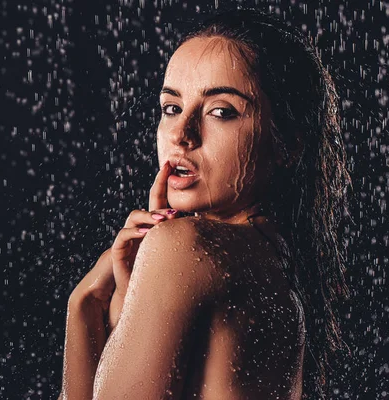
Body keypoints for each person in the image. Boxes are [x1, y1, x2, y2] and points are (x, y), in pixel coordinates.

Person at [58, 7, 352, 400]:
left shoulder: (185, 246)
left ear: (287, 142)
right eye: (172, 108)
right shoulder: (278, 259)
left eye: (221, 111)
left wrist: (85, 307)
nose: (182, 134)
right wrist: (131, 303)